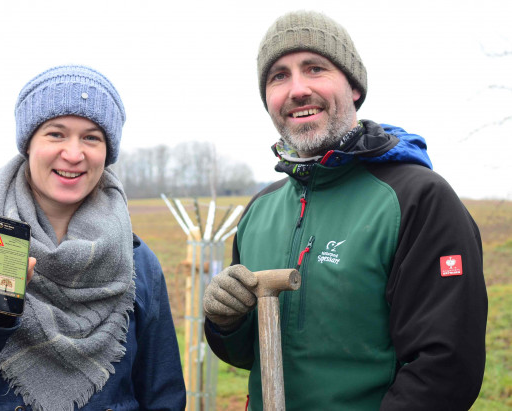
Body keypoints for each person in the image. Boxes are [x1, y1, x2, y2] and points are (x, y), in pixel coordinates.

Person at [203, 10, 487, 411]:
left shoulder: (417, 200)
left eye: (315, 68)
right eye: (278, 76)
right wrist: (226, 323)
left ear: (354, 86)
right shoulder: (258, 212)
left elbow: (444, 371)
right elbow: (250, 357)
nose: (297, 89)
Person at [0, 65, 186, 410]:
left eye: (91, 137)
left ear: (108, 151)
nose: (74, 154)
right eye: (56, 134)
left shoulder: (135, 260)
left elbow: (163, 398)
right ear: (28, 143)